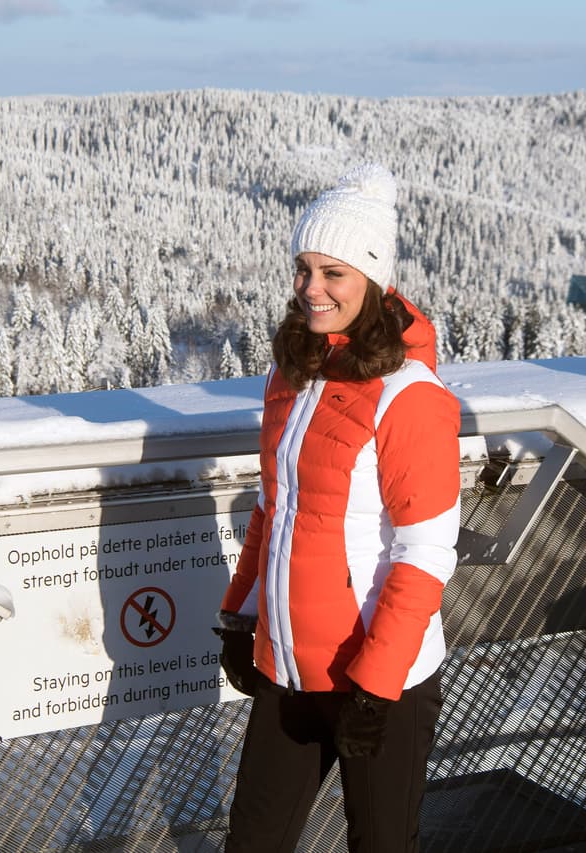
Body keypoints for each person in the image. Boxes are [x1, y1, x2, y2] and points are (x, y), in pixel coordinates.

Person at [216, 162, 461, 852]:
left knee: (380, 843)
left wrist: (376, 687)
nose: (312, 289)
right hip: (291, 665)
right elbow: (274, 507)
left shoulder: (408, 395)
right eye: (304, 269)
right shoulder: (293, 375)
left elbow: (425, 553)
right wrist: (240, 613)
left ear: (375, 283)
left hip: (379, 678)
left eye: (334, 273)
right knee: (253, 840)